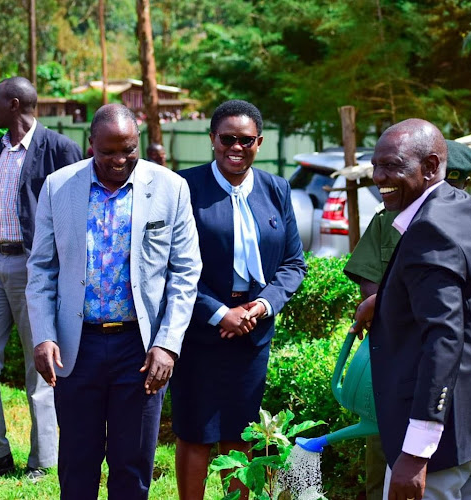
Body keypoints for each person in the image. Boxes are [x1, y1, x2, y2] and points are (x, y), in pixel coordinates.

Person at [26, 103, 201, 500]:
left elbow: (186, 273)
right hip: (76, 347)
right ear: (90, 145)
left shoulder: (171, 188)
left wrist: (168, 344)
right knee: (76, 464)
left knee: (132, 466)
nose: (120, 160)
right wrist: (44, 335)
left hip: (140, 350)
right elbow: (41, 269)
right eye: (108, 152)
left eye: (129, 150)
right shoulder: (58, 186)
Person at [363, 118, 471, 500]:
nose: (378, 176)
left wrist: (416, 451)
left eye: (392, 165)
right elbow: (465, 299)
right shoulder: (463, 207)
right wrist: (381, 302)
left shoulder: (428, 229)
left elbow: (444, 337)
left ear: (430, 166)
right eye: (375, 165)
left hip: (445, 434)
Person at [170, 100, 307, 500]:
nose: (236, 147)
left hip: (252, 331)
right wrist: (218, 313)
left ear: (259, 142)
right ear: (212, 139)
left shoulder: (276, 188)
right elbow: (168, 267)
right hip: (198, 330)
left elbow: (293, 263)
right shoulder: (184, 187)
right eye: (227, 138)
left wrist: (261, 306)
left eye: (245, 140)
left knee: (240, 431)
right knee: (195, 432)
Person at [0, 76, 83, 482]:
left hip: (37, 267)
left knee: (41, 364)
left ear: (13, 104)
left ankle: (43, 462)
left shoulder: (60, 149)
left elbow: (77, 214)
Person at [344, 140, 471, 500]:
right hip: (400, 361)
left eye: (457, 182)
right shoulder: (389, 219)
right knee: (383, 445)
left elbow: (456, 320)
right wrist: (381, 301)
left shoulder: (466, 221)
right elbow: (371, 276)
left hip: (447, 372)